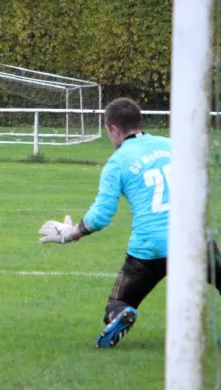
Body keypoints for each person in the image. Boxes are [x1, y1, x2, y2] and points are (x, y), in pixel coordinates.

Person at [38, 97, 221, 348]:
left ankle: (122, 314)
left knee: (117, 304)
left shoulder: (118, 161)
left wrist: (70, 233)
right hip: (195, 239)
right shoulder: (174, 146)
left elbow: (101, 215)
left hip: (149, 247)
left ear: (113, 129)